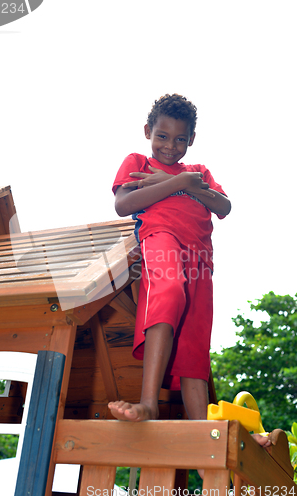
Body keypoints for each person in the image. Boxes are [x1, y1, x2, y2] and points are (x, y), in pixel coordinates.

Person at [109, 93, 231, 428]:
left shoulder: (199, 171)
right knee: (169, 292)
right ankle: (149, 402)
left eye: (180, 139)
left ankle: (205, 451)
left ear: (191, 139)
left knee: (194, 349)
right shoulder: (139, 162)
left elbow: (223, 206)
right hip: (161, 241)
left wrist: (189, 183)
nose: (170, 146)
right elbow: (124, 205)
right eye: (162, 136)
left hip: (201, 259)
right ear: (148, 131)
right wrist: (177, 183)